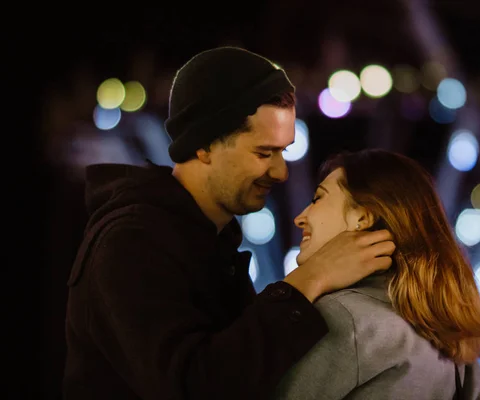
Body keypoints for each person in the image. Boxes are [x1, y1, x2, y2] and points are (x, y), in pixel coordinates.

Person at [62, 47, 396, 400]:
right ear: (204, 145)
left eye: (284, 151)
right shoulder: (131, 242)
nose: (282, 172)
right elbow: (192, 387)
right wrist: (309, 280)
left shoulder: (208, 242)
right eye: (264, 153)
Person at [272, 149, 480, 400]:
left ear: (363, 217)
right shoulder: (452, 340)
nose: (300, 218)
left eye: (317, 199)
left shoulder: (341, 318)